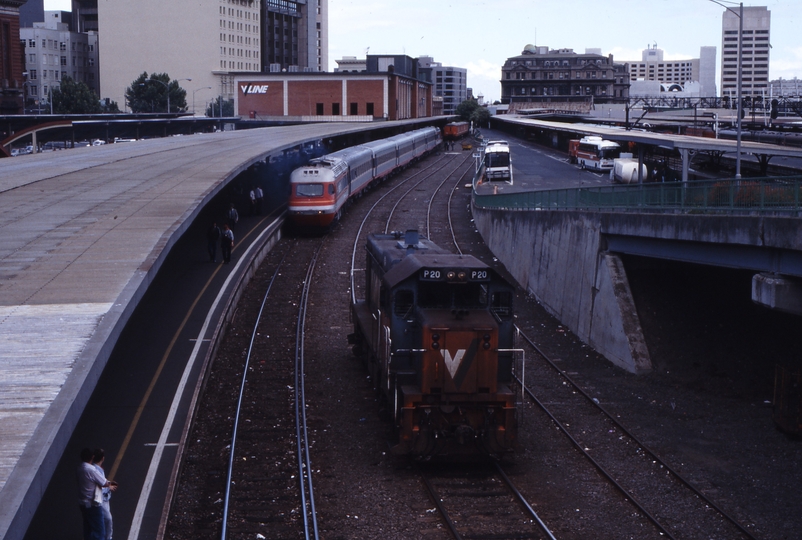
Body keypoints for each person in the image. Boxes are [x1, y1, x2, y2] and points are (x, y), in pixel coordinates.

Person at [77, 448, 116, 540]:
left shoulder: (79, 468)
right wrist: (111, 484)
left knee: (88, 527)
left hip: (82, 503)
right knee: (99, 531)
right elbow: (104, 483)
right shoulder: (91, 470)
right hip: (92, 504)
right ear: (92, 457)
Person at [92, 449, 114, 540]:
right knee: (108, 519)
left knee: (105, 519)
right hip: (101, 499)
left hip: (104, 498)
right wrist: (109, 486)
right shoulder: (95, 470)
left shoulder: (98, 468)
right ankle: (108, 538)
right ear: (103, 458)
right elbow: (101, 484)